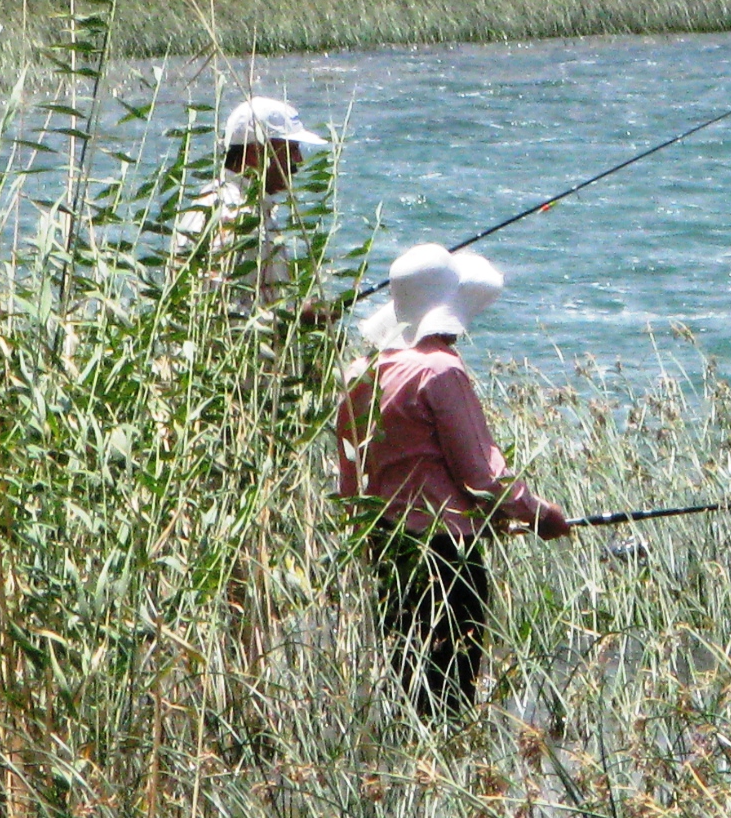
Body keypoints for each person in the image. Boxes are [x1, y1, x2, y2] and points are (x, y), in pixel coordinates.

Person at [334, 243, 571, 719]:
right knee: (449, 692)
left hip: (387, 546)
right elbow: (482, 474)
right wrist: (539, 515)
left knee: (409, 681)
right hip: (445, 556)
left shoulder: (362, 372)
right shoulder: (441, 370)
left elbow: (350, 477)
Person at [171, 95, 330, 311]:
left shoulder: (213, 199)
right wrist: (297, 318)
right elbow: (220, 314)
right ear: (256, 154)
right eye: (291, 149)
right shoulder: (238, 220)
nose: (299, 159)